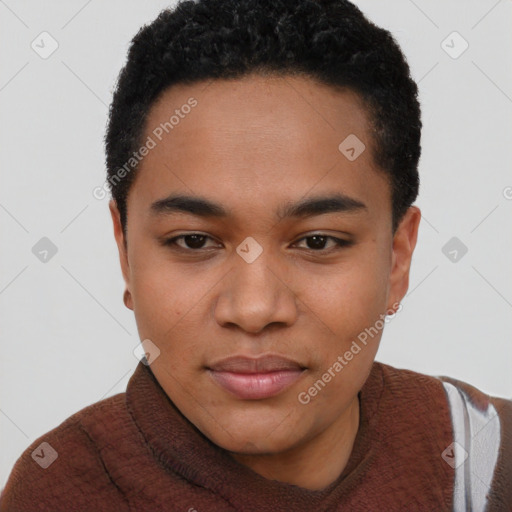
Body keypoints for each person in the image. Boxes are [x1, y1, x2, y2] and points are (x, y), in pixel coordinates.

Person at [1, 0, 511, 510]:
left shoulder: (486, 461)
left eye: (317, 241)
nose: (254, 309)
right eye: (194, 241)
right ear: (126, 250)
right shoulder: (61, 491)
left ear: (397, 259)